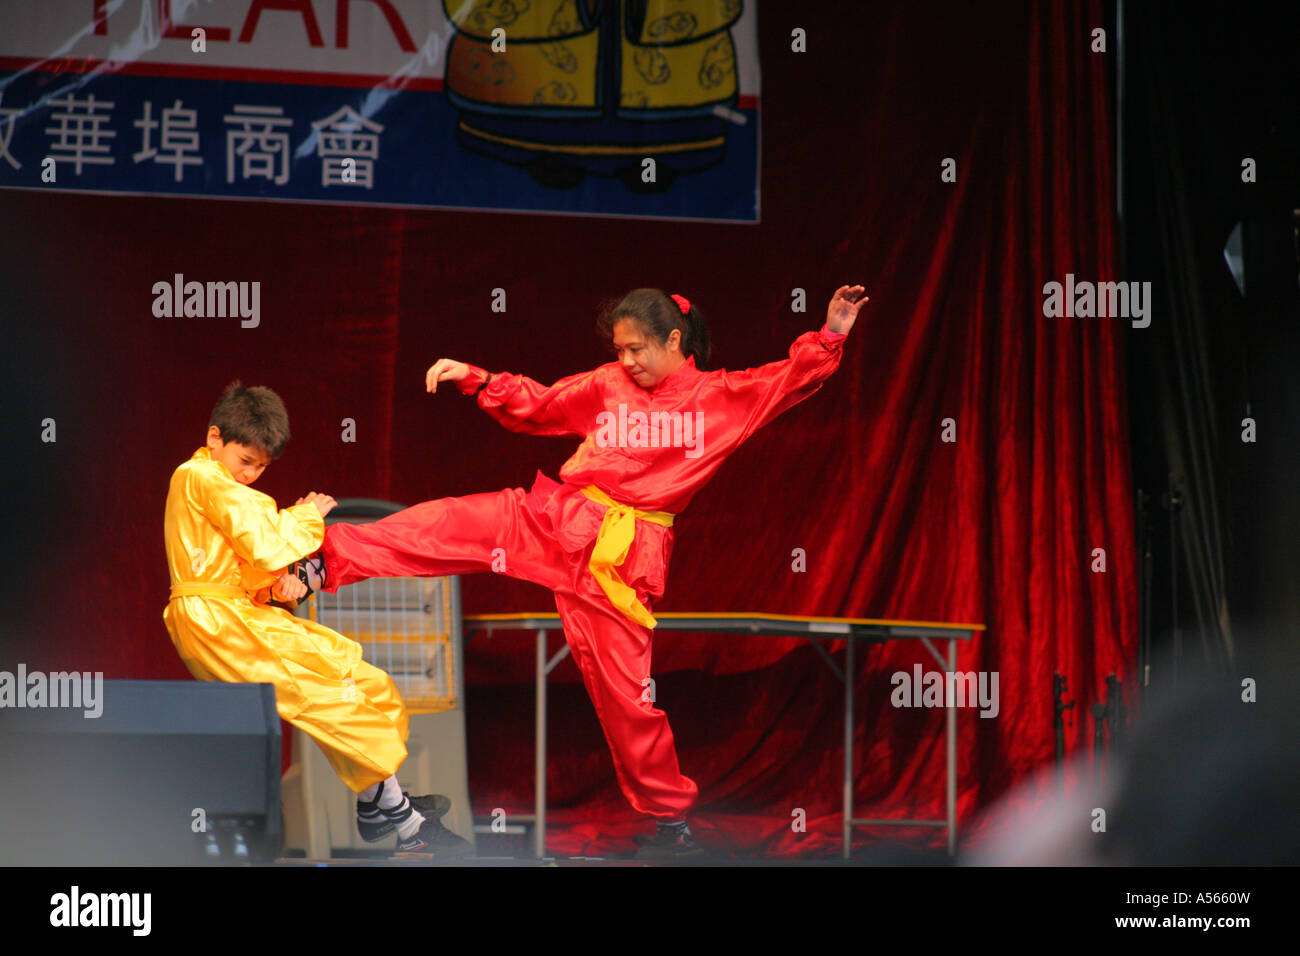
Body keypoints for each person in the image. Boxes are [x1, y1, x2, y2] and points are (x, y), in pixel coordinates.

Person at [299, 286, 868, 858]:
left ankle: (672, 825)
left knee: (628, 702)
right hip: (560, 520)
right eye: (619, 349)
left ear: (674, 340)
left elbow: (783, 381)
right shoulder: (607, 384)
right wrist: (476, 378)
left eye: (637, 349)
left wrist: (831, 334)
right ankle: (323, 560)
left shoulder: (718, 397)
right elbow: (542, 406)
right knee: (452, 523)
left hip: (619, 563)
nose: (627, 361)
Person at [163, 382, 463, 856]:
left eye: (262, 467)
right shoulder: (199, 476)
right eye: (246, 461)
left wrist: (275, 586)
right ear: (214, 437)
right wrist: (306, 516)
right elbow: (262, 539)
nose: (252, 474)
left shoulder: (221, 487)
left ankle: (373, 804)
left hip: (238, 612)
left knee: (352, 672)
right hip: (215, 622)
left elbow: (249, 559)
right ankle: (409, 824)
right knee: (325, 695)